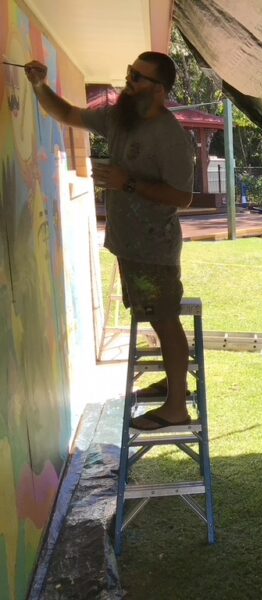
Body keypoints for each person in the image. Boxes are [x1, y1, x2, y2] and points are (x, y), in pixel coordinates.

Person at [24, 53, 195, 430]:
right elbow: (67, 114)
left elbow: (183, 197)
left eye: (138, 78)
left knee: (165, 320)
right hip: (129, 245)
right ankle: (175, 385)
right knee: (153, 316)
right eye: (130, 73)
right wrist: (39, 85)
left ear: (160, 91)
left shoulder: (170, 137)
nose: (129, 81)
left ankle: (177, 408)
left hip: (154, 250)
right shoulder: (120, 119)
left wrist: (127, 183)